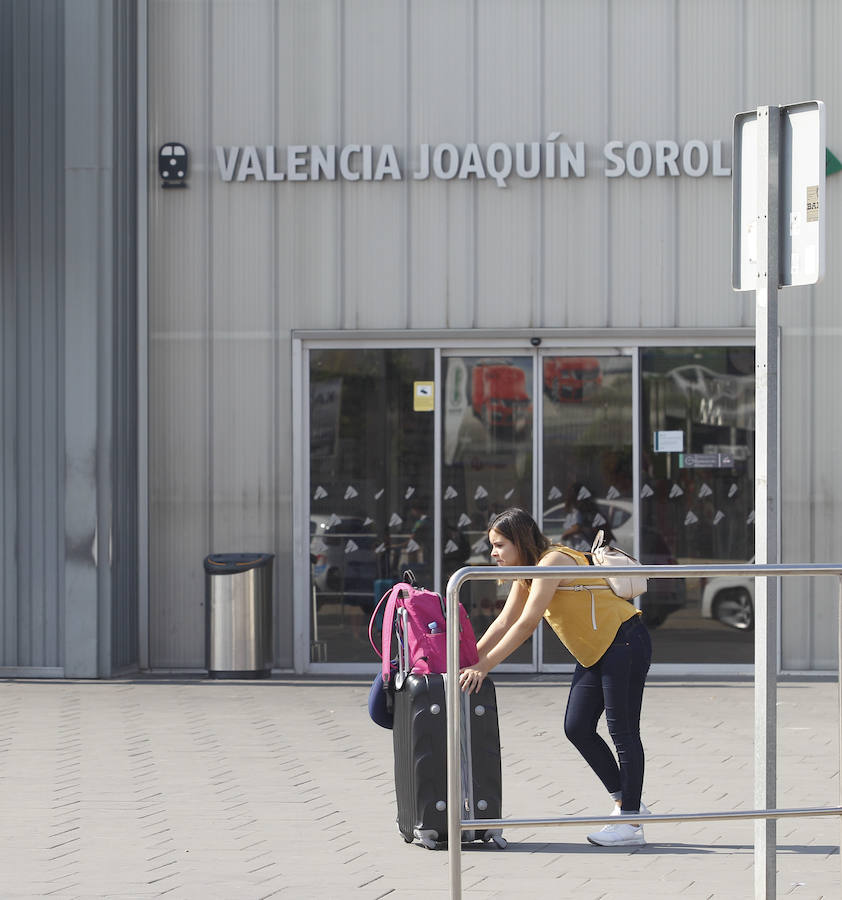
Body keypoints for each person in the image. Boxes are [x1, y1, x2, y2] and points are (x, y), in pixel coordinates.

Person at [459, 507, 652, 847]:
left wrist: (484, 667)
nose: (493, 553)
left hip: (624, 640)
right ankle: (628, 802)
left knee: (622, 730)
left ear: (519, 541)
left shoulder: (551, 562)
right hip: (599, 649)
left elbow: (528, 622)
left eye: (500, 545)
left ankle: (631, 823)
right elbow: (503, 622)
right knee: (576, 727)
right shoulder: (528, 573)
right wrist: (466, 659)